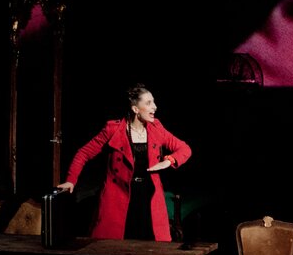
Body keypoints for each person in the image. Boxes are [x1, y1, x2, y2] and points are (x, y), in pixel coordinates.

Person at [57, 84, 192, 240]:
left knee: (150, 244)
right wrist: (71, 180)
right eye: (149, 103)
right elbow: (84, 153)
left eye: (153, 102)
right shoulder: (113, 129)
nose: (154, 107)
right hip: (118, 197)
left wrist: (169, 160)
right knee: (114, 245)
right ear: (135, 109)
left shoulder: (156, 128)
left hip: (148, 197)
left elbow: (185, 149)